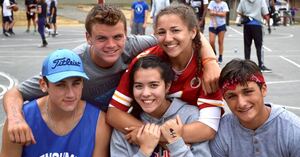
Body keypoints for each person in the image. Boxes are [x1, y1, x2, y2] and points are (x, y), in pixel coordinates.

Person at [3, 4, 220, 146]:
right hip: (94, 127)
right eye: (101, 39)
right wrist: (14, 118)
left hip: (133, 127)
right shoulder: (72, 63)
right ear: (88, 37)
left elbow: (187, 33)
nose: (111, 45)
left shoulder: (138, 46)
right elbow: (15, 92)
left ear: (127, 35)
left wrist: (210, 61)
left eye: (118, 37)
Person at [108, 3, 223, 146]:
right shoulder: (144, 61)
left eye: (175, 30)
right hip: (163, 138)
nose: (168, 38)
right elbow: (114, 113)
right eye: (161, 32)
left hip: (194, 146)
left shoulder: (208, 70)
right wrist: (152, 135)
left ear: (193, 32)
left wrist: (154, 137)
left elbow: (207, 129)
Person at [0, 49, 110, 157]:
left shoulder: (98, 122)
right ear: (43, 85)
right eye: (61, 85)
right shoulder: (20, 121)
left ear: (82, 83)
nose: (70, 94)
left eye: (76, 83)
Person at [110, 55, 212, 157]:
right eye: (138, 86)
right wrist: (144, 151)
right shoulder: (124, 126)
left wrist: (175, 143)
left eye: (153, 85)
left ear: (167, 86)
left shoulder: (190, 116)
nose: (145, 93)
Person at [209, 58, 300, 157]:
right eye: (232, 96)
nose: (241, 103)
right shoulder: (221, 132)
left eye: (247, 92)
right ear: (225, 99)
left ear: (263, 89)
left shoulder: (292, 130)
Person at [237, 0, 272, 73]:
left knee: (247, 46)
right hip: (257, 25)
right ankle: (261, 65)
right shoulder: (261, 0)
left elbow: (239, 11)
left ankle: (247, 66)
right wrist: (266, 21)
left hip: (247, 25)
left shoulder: (243, 0)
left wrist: (246, 15)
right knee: (259, 46)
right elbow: (265, 13)